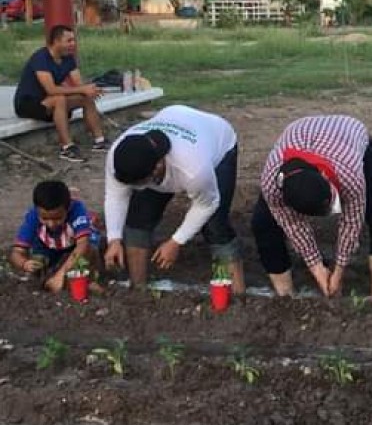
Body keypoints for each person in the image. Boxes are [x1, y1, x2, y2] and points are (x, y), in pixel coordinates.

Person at [252, 115, 372, 302]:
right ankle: (285, 299)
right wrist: (318, 269)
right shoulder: (271, 185)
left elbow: (351, 223)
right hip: (300, 133)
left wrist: (338, 271)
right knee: (262, 223)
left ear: (325, 177)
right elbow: (293, 225)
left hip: (348, 133)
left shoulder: (350, 173)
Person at [103, 105, 244, 294]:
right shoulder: (119, 156)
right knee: (138, 216)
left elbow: (207, 204)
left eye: (141, 182)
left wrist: (176, 242)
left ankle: (237, 294)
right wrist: (114, 239)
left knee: (215, 224)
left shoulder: (194, 169)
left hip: (217, 140)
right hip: (174, 117)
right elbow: (115, 196)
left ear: (158, 166)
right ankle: (138, 289)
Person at [13, 24, 107, 163]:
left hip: (50, 101)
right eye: (68, 41)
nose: (73, 44)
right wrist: (82, 89)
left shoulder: (68, 58)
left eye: (73, 40)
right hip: (28, 103)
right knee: (59, 99)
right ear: (56, 41)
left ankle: (100, 141)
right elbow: (51, 89)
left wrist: (89, 89)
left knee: (85, 98)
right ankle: (67, 147)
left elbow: (78, 85)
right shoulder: (40, 58)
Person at [9, 180, 102, 293]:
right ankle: (61, 274)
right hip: (48, 247)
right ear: (37, 211)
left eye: (57, 218)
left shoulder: (77, 209)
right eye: (45, 218)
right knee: (37, 264)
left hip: (76, 244)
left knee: (89, 252)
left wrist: (60, 275)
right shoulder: (33, 216)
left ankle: (89, 277)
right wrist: (24, 264)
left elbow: (83, 245)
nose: (51, 224)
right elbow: (16, 252)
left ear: (67, 209)